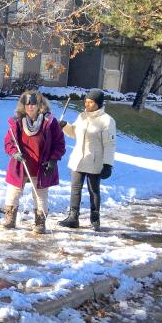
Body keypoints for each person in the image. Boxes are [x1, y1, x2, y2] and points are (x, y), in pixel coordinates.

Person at [3, 90, 66, 234]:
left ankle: (40, 222)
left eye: (33, 104)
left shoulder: (49, 122)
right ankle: (10, 218)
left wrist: (53, 160)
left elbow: (60, 144)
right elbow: (8, 143)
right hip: (21, 165)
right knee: (13, 192)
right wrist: (14, 153)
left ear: (39, 105)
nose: (30, 107)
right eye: (27, 104)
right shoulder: (17, 122)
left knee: (40, 195)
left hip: (41, 166)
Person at [58, 89, 116, 231]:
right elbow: (74, 133)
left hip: (95, 161)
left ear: (98, 103)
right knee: (75, 189)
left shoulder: (107, 121)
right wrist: (65, 126)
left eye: (91, 102)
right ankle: (73, 217)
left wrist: (108, 164)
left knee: (93, 190)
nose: (87, 105)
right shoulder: (82, 116)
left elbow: (109, 144)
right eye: (86, 102)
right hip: (78, 159)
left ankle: (95, 219)